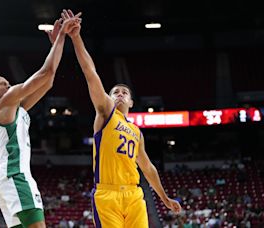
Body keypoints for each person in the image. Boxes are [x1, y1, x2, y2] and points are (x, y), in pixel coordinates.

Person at [61, 9, 182, 228]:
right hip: (107, 194)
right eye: (115, 91)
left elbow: (147, 167)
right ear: (108, 97)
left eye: (124, 92)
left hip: (135, 195)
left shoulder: (136, 131)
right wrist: (76, 38)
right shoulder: (106, 113)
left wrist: (164, 198)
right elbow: (90, 72)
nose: (120, 94)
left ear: (132, 103)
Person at [0, 13, 81, 228]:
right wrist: (61, 37)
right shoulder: (2, 104)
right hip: (15, 176)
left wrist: (57, 44)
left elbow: (48, 80)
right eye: (3, 83)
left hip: (9, 178)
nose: (8, 85)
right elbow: (43, 73)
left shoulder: (15, 109)